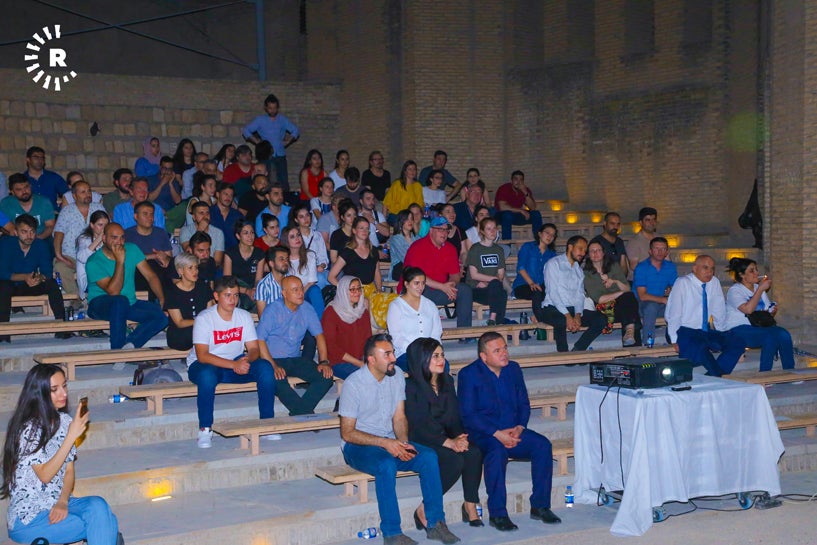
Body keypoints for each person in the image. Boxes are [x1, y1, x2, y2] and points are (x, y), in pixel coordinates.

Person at [339, 333, 461, 545]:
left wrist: (403, 443)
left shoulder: (395, 377)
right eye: (387, 354)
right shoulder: (354, 384)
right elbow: (347, 432)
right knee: (385, 464)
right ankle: (392, 533)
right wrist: (386, 443)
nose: (394, 358)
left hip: (390, 440)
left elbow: (399, 417)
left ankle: (435, 523)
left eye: (393, 352)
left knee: (428, 457)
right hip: (358, 446)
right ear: (371, 359)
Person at [1, 365, 120, 545]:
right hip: (29, 518)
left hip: (59, 504)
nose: (63, 393)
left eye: (64, 386)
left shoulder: (64, 421)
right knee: (105, 522)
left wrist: (63, 501)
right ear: (39, 394)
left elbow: (69, 471)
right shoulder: (28, 429)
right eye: (54, 390)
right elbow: (45, 475)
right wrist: (71, 436)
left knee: (98, 505)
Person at [458, 332, 561, 531]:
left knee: (542, 445)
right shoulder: (468, 374)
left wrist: (520, 427)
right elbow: (468, 415)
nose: (504, 353)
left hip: (514, 431)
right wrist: (498, 434)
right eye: (497, 351)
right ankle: (498, 514)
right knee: (497, 452)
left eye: (505, 348)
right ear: (483, 356)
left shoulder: (513, 369)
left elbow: (524, 403)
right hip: (484, 434)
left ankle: (540, 506)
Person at [187, 276, 276, 448]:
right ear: (216, 296)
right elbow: (203, 355)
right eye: (227, 295)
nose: (232, 300)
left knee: (265, 367)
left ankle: (267, 424)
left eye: (235, 295)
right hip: (204, 365)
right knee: (207, 375)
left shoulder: (244, 316)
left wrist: (246, 361)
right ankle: (205, 428)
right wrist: (235, 365)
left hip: (234, 362)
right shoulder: (204, 318)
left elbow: (254, 348)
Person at [405, 338, 484, 527]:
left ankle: (470, 505)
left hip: (444, 436)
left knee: (473, 452)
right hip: (420, 438)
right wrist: (449, 442)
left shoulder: (446, 380)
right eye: (435, 356)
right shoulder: (410, 386)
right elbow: (418, 425)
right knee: (453, 460)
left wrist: (460, 437)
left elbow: (453, 415)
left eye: (442, 355)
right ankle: (424, 507)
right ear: (421, 359)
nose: (441, 360)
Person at [256, 276, 334, 415]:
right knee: (277, 381)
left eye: (301, 289)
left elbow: (319, 336)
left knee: (326, 376)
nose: (300, 293)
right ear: (284, 294)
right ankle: (306, 414)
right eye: (295, 290)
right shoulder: (272, 310)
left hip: (295, 359)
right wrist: (273, 365)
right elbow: (260, 340)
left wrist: (323, 362)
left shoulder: (307, 308)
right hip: (273, 360)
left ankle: (301, 412)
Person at [85, 223, 168, 350]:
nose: (119, 242)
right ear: (104, 238)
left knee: (161, 317)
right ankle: (117, 350)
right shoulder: (94, 261)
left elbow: (151, 276)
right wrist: (120, 261)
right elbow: (114, 292)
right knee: (120, 301)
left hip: (128, 303)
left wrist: (161, 298)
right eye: (114, 237)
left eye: (122, 237)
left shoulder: (132, 249)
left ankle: (130, 345)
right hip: (100, 304)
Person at [665, 255, 745, 376]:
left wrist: (722, 332)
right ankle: (718, 376)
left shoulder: (714, 282)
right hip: (683, 329)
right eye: (705, 268)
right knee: (700, 347)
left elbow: (719, 310)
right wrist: (674, 339)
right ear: (695, 268)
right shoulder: (683, 283)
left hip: (703, 330)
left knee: (737, 342)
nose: (709, 272)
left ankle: (713, 376)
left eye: (712, 269)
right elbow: (674, 313)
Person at [0, 215, 71, 343]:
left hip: (31, 284)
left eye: (32, 231)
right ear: (16, 232)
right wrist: (24, 277)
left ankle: (62, 328)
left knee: (52, 284)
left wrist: (39, 278)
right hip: (11, 284)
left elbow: (47, 272)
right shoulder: (6, 244)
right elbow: (3, 272)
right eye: (24, 232)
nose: (29, 236)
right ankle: (3, 333)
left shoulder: (40, 245)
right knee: (3, 286)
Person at [403, 216, 474, 332]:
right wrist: (443, 287)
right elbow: (416, 277)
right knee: (418, 288)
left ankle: (465, 332)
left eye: (446, 230)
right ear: (431, 230)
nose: (444, 233)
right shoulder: (418, 247)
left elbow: (455, 274)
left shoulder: (450, 248)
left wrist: (451, 285)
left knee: (465, 290)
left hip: (441, 290)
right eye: (440, 229)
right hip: (420, 289)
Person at [724, 258, 795, 372]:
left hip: (758, 327)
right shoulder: (735, 291)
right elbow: (748, 310)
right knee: (770, 336)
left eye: (756, 269)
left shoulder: (757, 288)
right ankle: (765, 373)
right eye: (752, 271)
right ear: (742, 275)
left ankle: (790, 371)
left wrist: (771, 311)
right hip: (738, 329)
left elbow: (765, 312)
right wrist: (761, 289)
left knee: (784, 334)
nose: (757, 273)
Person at [541, 235, 607, 352]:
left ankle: (578, 349)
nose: (583, 253)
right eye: (580, 249)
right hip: (552, 307)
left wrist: (577, 315)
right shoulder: (554, 264)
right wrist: (568, 316)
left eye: (585, 251)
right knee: (561, 321)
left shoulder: (578, 269)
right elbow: (553, 293)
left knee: (601, 319)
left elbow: (580, 295)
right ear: (570, 247)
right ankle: (563, 354)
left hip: (571, 308)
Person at [328, 216, 396, 328]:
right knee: (364, 302)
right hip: (355, 292)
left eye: (367, 228)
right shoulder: (347, 252)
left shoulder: (373, 250)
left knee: (396, 300)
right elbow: (331, 277)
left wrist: (379, 290)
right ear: (354, 230)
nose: (365, 231)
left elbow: (377, 273)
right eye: (361, 228)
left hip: (371, 290)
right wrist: (346, 290)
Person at [584, 240, 641, 346]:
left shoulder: (613, 266)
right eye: (592, 251)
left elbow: (627, 288)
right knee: (629, 306)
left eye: (598, 250)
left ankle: (629, 333)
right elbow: (599, 299)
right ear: (588, 255)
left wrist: (615, 281)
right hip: (604, 310)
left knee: (628, 302)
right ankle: (633, 343)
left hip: (622, 306)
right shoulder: (586, 274)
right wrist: (620, 293)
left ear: (603, 252)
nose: (595, 253)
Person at [53, 180, 105, 296]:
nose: (88, 194)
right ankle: (76, 298)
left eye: (89, 191)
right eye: (83, 192)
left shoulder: (99, 208)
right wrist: (59, 255)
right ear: (74, 196)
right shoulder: (67, 211)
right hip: (71, 256)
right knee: (60, 267)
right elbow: (58, 233)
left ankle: (97, 296)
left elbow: (108, 229)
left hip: (95, 255)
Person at [387, 267, 443, 372]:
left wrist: (432, 351)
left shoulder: (430, 305)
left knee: (443, 366)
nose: (420, 287)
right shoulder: (396, 306)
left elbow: (436, 332)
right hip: (404, 353)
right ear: (406, 284)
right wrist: (416, 351)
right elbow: (396, 337)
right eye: (416, 283)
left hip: (429, 353)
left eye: (423, 283)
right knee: (422, 367)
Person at [242, 93, 300, 191]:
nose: (273, 110)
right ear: (266, 108)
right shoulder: (260, 120)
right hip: (265, 155)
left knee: (283, 181)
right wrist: (257, 142)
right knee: (266, 180)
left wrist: (287, 141)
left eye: (275, 108)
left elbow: (295, 130)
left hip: (280, 155)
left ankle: (284, 198)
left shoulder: (282, 120)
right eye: (270, 108)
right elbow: (246, 130)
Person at [321, 275, 372, 379]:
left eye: (359, 288)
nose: (357, 292)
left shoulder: (362, 311)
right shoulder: (331, 312)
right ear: (343, 291)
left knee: (385, 371)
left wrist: (368, 360)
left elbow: (368, 339)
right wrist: (358, 363)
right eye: (352, 289)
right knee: (366, 377)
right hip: (338, 361)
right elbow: (331, 347)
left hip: (360, 359)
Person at [123, 201, 174, 302]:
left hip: (160, 271)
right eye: (145, 214)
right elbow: (126, 259)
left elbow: (169, 258)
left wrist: (164, 257)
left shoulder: (160, 233)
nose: (149, 217)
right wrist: (153, 256)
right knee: (149, 266)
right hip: (137, 272)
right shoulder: (127, 235)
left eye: (151, 214)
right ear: (136, 216)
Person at [164, 252, 213, 350]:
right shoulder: (172, 292)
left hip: (202, 328)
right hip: (181, 333)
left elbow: (210, 311)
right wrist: (200, 321)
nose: (195, 271)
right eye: (190, 268)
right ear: (180, 271)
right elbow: (179, 322)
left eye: (196, 267)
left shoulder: (203, 287)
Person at [632, 237, 677, 343]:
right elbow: (642, 296)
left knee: (680, 305)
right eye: (656, 249)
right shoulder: (641, 267)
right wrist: (664, 300)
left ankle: (675, 339)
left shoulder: (670, 267)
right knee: (651, 307)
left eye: (663, 249)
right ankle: (648, 343)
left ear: (667, 252)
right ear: (650, 251)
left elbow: (676, 287)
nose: (660, 252)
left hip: (660, 304)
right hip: (640, 305)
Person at [465, 217, 507, 325]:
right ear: (482, 231)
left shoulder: (499, 250)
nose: (492, 231)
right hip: (477, 288)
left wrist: (491, 282)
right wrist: (493, 280)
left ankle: (494, 320)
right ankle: (497, 321)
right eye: (489, 229)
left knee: (501, 291)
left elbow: (501, 274)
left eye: (494, 228)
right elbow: (474, 275)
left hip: (492, 288)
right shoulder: (475, 248)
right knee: (500, 291)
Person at [513, 224, 558, 322]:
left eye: (553, 235)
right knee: (537, 292)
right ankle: (541, 320)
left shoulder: (552, 254)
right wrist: (531, 283)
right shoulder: (528, 247)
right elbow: (521, 268)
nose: (550, 236)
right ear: (540, 234)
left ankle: (542, 317)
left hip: (541, 286)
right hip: (523, 285)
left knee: (554, 292)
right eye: (547, 233)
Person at [281, 225, 324, 317]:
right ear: (286, 241)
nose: (297, 238)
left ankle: (321, 324)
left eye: (298, 235)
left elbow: (311, 281)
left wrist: (299, 294)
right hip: (289, 295)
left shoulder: (310, 255)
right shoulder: (283, 259)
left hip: (306, 292)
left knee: (315, 290)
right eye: (292, 237)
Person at [223, 220, 264, 311]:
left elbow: (258, 279)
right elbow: (227, 281)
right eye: (246, 233)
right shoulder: (230, 253)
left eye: (252, 232)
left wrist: (255, 290)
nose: (250, 236)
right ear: (238, 236)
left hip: (252, 288)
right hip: (236, 288)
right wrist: (246, 291)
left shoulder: (259, 253)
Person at [0, 174, 55, 240]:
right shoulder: (6, 203)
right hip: (14, 238)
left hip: (41, 238)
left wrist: (37, 239)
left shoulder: (44, 202)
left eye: (26, 187)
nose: (24, 191)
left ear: (30, 186)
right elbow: (3, 226)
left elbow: (50, 226)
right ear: (12, 192)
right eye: (19, 189)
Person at [494, 170, 542, 241]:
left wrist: (525, 193)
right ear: (511, 181)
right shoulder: (504, 188)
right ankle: (507, 244)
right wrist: (521, 210)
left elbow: (533, 207)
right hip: (501, 216)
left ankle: (539, 241)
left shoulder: (525, 190)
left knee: (536, 214)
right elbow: (502, 207)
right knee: (507, 215)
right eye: (516, 179)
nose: (518, 182)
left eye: (521, 180)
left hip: (516, 216)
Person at [291, 203, 329, 287]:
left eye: (307, 215)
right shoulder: (294, 237)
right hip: (301, 271)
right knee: (320, 279)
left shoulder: (317, 235)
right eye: (301, 217)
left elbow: (323, 257)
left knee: (329, 277)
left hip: (318, 269)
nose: (306, 219)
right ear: (296, 220)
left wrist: (322, 265)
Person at [76, 210, 109, 300]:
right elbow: (82, 258)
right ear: (92, 225)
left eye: (106, 225)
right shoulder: (84, 239)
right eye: (100, 225)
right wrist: (99, 239)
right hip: (89, 280)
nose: (104, 228)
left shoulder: (109, 239)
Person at [23, 146, 69, 212]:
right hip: (29, 216)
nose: (40, 160)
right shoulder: (22, 179)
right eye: (36, 157)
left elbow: (69, 194)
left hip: (51, 214)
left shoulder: (53, 177)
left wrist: (61, 209)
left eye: (42, 158)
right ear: (28, 159)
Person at [180, 201, 225, 267]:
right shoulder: (185, 230)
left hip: (210, 267)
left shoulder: (218, 233)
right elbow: (188, 252)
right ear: (194, 217)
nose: (205, 216)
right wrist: (200, 230)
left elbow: (217, 261)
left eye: (207, 213)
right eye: (201, 213)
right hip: (191, 267)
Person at [589, 212, 629, 278]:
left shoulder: (619, 242)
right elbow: (592, 266)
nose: (615, 227)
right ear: (605, 223)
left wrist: (622, 280)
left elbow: (623, 264)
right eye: (612, 223)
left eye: (618, 224)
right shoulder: (596, 242)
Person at [255, 246, 289, 317]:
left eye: (287, 259)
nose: (286, 262)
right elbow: (263, 317)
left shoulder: (292, 281)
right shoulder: (263, 285)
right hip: (272, 322)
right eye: (281, 259)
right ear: (271, 263)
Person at [625, 206, 658, 280]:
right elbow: (634, 267)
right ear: (641, 222)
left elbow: (667, 260)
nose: (651, 223)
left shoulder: (660, 239)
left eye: (654, 219)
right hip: (640, 281)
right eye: (648, 220)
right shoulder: (634, 242)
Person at [210, 183, 243, 251]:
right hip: (213, 252)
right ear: (218, 194)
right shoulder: (209, 213)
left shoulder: (237, 215)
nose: (228, 198)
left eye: (231, 195)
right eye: (226, 194)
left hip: (234, 253)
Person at [388, 209, 417, 281]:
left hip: (415, 266)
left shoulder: (417, 237)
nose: (410, 221)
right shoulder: (395, 239)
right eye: (407, 219)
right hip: (401, 268)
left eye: (411, 219)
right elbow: (404, 258)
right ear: (400, 221)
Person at [328, 198, 357, 264]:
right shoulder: (336, 235)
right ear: (342, 217)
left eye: (354, 215)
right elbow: (333, 259)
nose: (352, 218)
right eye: (349, 215)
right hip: (342, 267)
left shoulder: (359, 232)